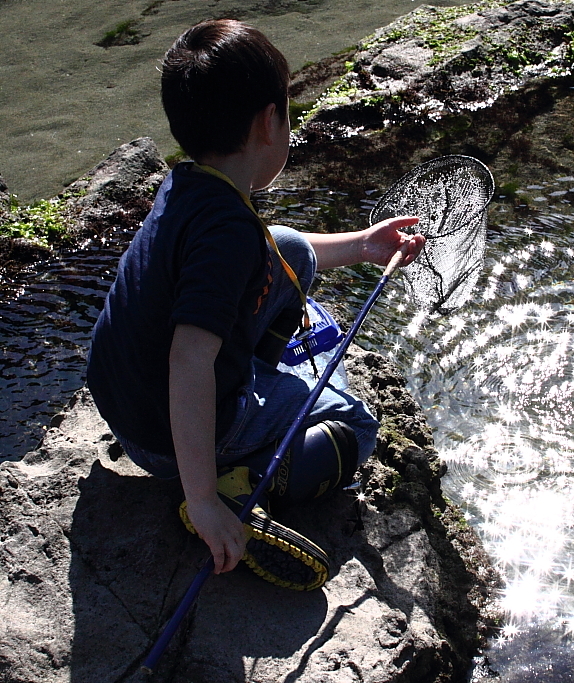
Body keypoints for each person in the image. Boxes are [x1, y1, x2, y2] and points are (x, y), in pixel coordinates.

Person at [86, 19, 424, 591]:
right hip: (163, 432)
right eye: (288, 113)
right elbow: (190, 361)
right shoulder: (228, 236)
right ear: (269, 122)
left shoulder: (192, 186)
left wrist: (364, 244)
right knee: (355, 425)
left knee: (290, 248)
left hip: (124, 397)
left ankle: (233, 430)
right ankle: (234, 483)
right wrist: (202, 500)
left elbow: (269, 252)